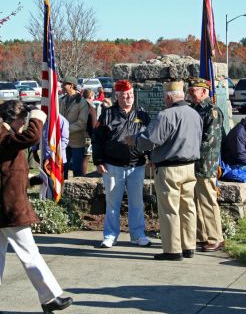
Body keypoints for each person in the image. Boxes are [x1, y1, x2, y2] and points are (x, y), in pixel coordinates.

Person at [0, 100, 73, 313]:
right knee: (30, 253)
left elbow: (6, 170)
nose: (23, 124)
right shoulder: (3, 135)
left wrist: (30, 180)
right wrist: (38, 118)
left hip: (7, 204)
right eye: (22, 120)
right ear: (12, 119)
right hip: (8, 207)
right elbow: (29, 138)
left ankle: (49, 297)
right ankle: (50, 297)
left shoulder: (5, 136)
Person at [124, 81, 203, 261]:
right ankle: (189, 246)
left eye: (164, 97)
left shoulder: (165, 115)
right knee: (188, 208)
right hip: (190, 167)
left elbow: (151, 140)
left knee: (169, 210)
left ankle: (173, 250)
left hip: (170, 169)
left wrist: (133, 140)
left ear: (168, 96)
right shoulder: (194, 114)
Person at [92, 79, 151, 248]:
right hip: (112, 166)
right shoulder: (107, 114)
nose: (128, 98)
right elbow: (97, 140)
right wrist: (98, 160)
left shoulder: (142, 114)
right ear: (117, 96)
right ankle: (110, 235)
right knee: (112, 203)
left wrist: (151, 157)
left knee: (137, 203)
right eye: (124, 95)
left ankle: (138, 235)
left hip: (136, 166)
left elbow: (150, 138)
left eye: (131, 95)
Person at [188, 77, 224, 252]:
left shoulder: (212, 111)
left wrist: (188, 152)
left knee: (208, 201)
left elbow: (209, 141)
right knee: (196, 201)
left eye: (193, 91)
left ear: (204, 92)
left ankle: (215, 237)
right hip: (193, 163)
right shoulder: (194, 109)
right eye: (189, 90)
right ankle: (202, 236)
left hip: (205, 164)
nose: (190, 94)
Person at [32, 113, 69, 198]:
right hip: (45, 156)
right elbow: (38, 135)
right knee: (45, 180)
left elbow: (64, 141)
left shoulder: (62, 120)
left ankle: (56, 200)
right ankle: (47, 198)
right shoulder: (43, 119)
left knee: (56, 182)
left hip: (57, 158)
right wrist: (34, 150)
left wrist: (53, 156)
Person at [59, 76, 88, 179]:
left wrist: (64, 130)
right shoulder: (61, 100)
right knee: (63, 167)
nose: (62, 86)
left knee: (77, 170)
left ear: (71, 86)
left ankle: (77, 193)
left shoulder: (82, 102)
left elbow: (81, 123)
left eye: (64, 84)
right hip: (63, 142)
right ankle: (62, 191)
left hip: (77, 142)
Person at [82, 89, 97, 175]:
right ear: (91, 96)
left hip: (78, 135)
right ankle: (82, 176)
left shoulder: (79, 106)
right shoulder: (91, 108)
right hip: (88, 136)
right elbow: (94, 125)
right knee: (86, 158)